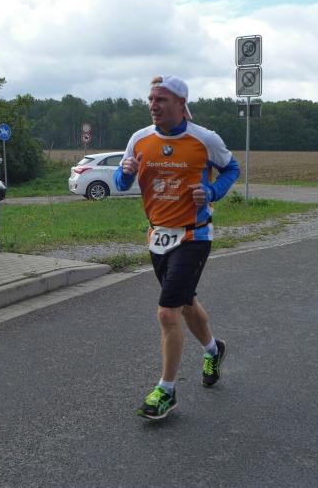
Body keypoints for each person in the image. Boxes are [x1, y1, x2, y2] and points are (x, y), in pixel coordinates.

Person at [114, 75, 240, 420]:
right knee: (185, 304)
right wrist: (125, 172)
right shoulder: (140, 139)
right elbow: (122, 182)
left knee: (167, 312)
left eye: (161, 100)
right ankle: (213, 349)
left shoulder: (204, 139)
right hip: (157, 236)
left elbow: (231, 167)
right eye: (151, 100)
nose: (153, 106)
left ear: (181, 104)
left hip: (193, 236)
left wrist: (212, 192)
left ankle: (166, 391)